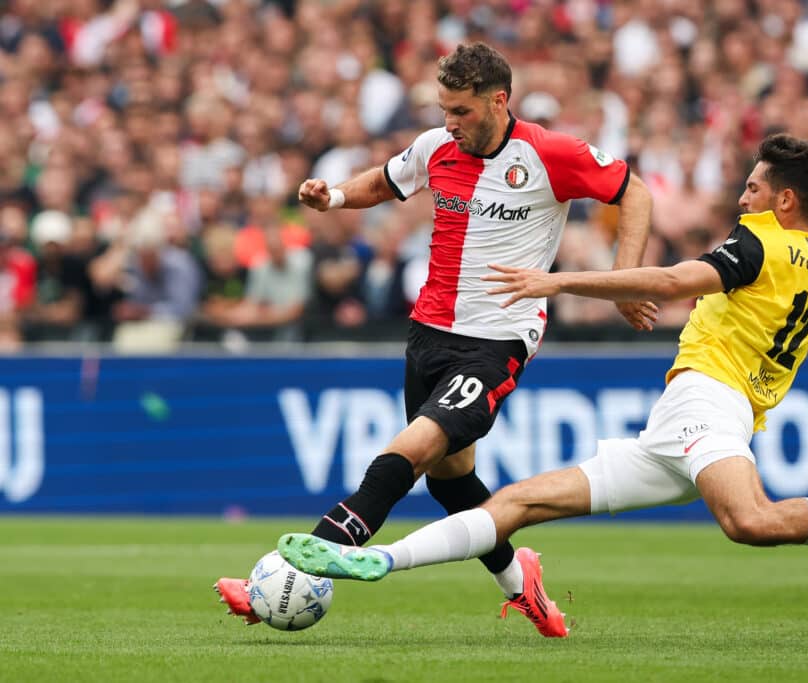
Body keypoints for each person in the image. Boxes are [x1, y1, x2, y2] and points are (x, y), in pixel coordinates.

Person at [275, 135, 808, 635]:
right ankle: (377, 559)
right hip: (684, 423)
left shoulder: (758, 241)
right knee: (520, 501)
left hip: (711, 402)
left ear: (785, 200)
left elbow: (667, 279)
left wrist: (559, 278)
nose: (743, 192)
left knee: (749, 520)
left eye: (755, 185)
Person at [215, 42, 654, 635]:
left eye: (462, 112)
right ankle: (522, 583)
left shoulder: (549, 152)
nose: (450, 123)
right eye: (444, 109)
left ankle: (290, 570)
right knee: (453, 484)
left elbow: (634, 191)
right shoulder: (436, 146)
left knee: (410, 451)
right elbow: (388, 182)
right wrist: (336, 197)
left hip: (496, 341)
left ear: (499, 102)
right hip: (428, 334)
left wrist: (623, 281)